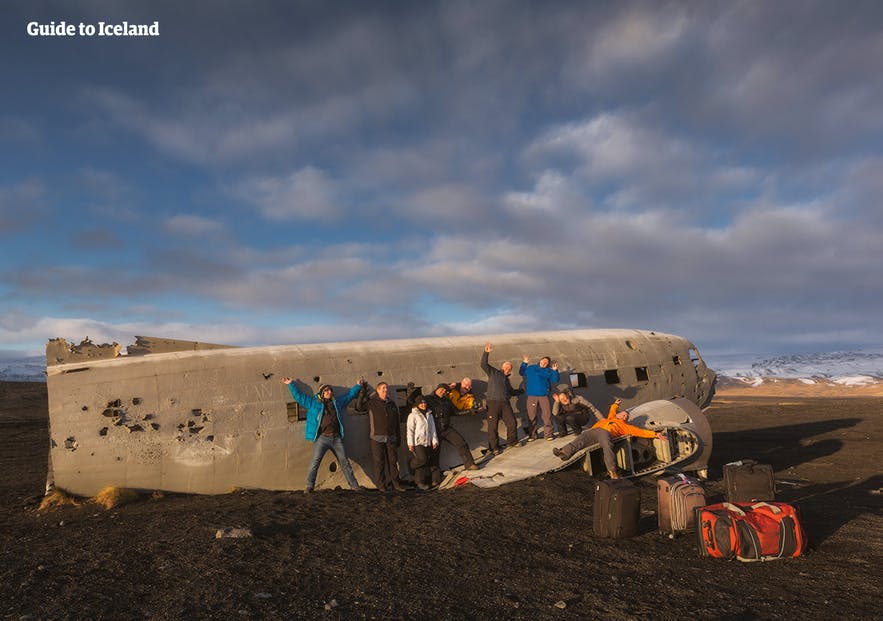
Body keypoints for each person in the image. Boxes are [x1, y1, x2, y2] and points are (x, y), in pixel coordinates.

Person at [282, 376, 364, 492]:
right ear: (322, 393)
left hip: (336, 438)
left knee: (344, 462)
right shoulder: (313, 403)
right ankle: (309, 486)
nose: (329, 392)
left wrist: (358, 386)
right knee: (315, 463)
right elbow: (299, 397)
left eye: (330, 390)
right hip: (322, 438)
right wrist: (290, 384)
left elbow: (349, 396)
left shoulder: (337, 402)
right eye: (326, 390)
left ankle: (354, 486)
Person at [552, 399, 666, 479]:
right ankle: (564, 453)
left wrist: (655, 435)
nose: (624, 416)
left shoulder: (625, 426)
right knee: (580, 439)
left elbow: (640, 432)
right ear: (618, 414)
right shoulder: (611, 417)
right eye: (623, 414)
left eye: (626, 416)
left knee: (607, 446)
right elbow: (612, 410)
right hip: (593, 431)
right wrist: (615, 405)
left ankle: (612, 471)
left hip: (605, 433)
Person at [357, 381, 404, 492]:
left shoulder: (391, 404)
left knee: (393, 462)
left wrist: (398, 438)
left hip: (391, 437)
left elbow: (396, 422)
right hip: (376, 437)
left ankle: (396, 485)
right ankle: (381, 486)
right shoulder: (372, 403)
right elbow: (358, 407)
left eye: (386, 388)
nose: (385, 390)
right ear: (378, 390)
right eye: (383, 388)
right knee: (379, 462)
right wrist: (362, 391)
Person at [426, 383, 479, 470]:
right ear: (437, 389)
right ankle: (435, 479)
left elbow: (456, 412)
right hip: (434, 431)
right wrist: (411, 391)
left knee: (461, 443)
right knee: (434, 454)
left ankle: (469, 464)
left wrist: (470, 411)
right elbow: (415, 403)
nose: (443, 392)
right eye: (442, 390)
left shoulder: (447, 400)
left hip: (446, 429)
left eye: (445, 391)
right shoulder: (428, 399)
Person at [480, 342, 521, 454]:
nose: (508, 369)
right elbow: (483, 365)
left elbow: (511, 392)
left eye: (510, 368)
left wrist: (523, 390)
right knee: (493, 427)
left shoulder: (506, 381)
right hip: (492, 403)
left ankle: (512, 442)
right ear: (502, 367)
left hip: (505, 403)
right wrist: (486, 353)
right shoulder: (494, 373)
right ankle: (494, 447)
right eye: (507, 367)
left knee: (512, 422)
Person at [519, 355, 560, 441]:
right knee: (531, 416)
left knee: (547, 415)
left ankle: (548, 434)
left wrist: (555, 371)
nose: (544, 363)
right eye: (543, 361)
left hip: (543, 395)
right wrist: (525, 363)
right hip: (532, 396)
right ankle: (532, 435)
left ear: (547, 365)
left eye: (546, 363)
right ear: (540, 360)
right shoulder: (531, 368)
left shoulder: (548, 371)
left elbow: (555, 380)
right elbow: (522, 372)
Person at [407, 395, 441, 490]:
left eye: (424, 403)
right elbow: (410, 430)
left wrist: (434, 440)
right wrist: (410, 443)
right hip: (418, 442)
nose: (423, 404)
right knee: (423, 459)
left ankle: (419, 482)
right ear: (417, 404)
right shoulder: (413, 415)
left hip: (427, 441)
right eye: (421, 403)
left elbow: (432, 428)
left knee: (423, 463)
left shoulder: (429, 414)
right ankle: (411, 464)